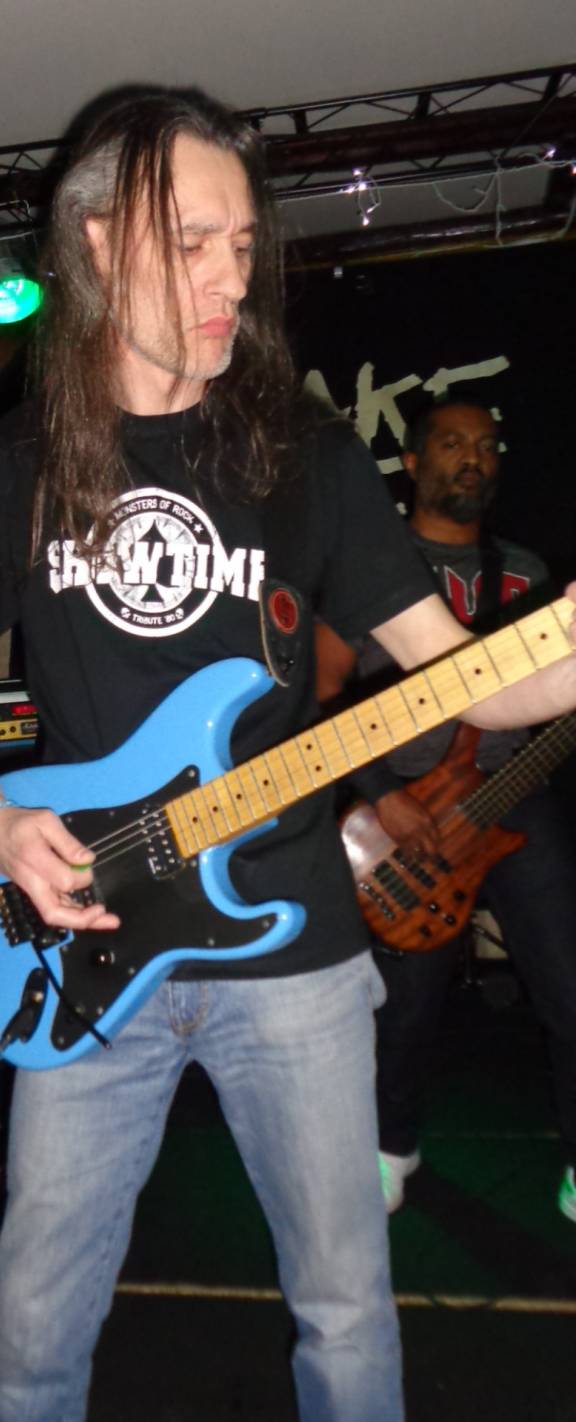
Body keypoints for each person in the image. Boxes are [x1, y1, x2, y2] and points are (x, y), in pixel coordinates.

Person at [0, 89, 576, 1422]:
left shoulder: (306, 455)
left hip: (292, 951)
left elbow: (467, 675)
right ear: (99, 244)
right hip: (83, 939)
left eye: (244, 244)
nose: (232, 277)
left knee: (347, 1311)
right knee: (35, 1328)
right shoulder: (10, 465)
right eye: (193, 243)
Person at [314, 397, 576, 1222]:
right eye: (454, 443)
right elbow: (319, 692)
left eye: (488, 446)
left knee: (570, 987)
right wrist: (383, 795)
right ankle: (391, 1146)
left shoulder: (525, 573)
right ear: (411, 464)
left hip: (515, 800)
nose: (474, 457)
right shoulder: (371, 569)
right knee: (406, 1005)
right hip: (407, 816)